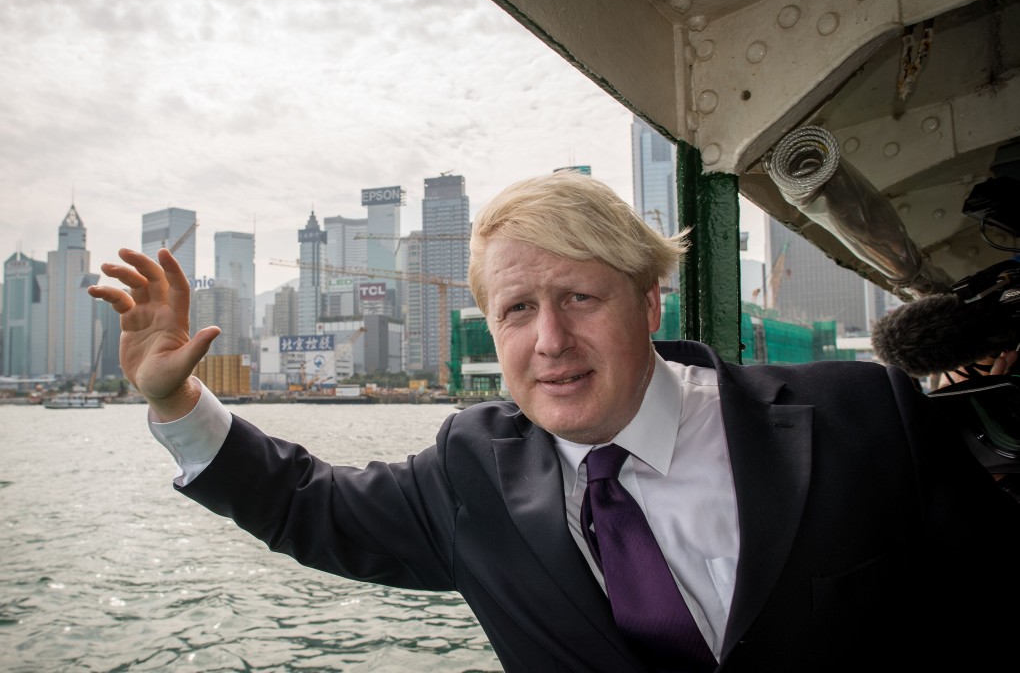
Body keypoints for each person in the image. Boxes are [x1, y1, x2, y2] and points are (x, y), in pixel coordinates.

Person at [90, 171, 1019, 672]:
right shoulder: (469, 470)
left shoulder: (861, 418)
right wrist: (177, 399)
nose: (550, 341)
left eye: (579, 296)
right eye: (517, 311)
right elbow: (305, 503)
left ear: (650, 302)